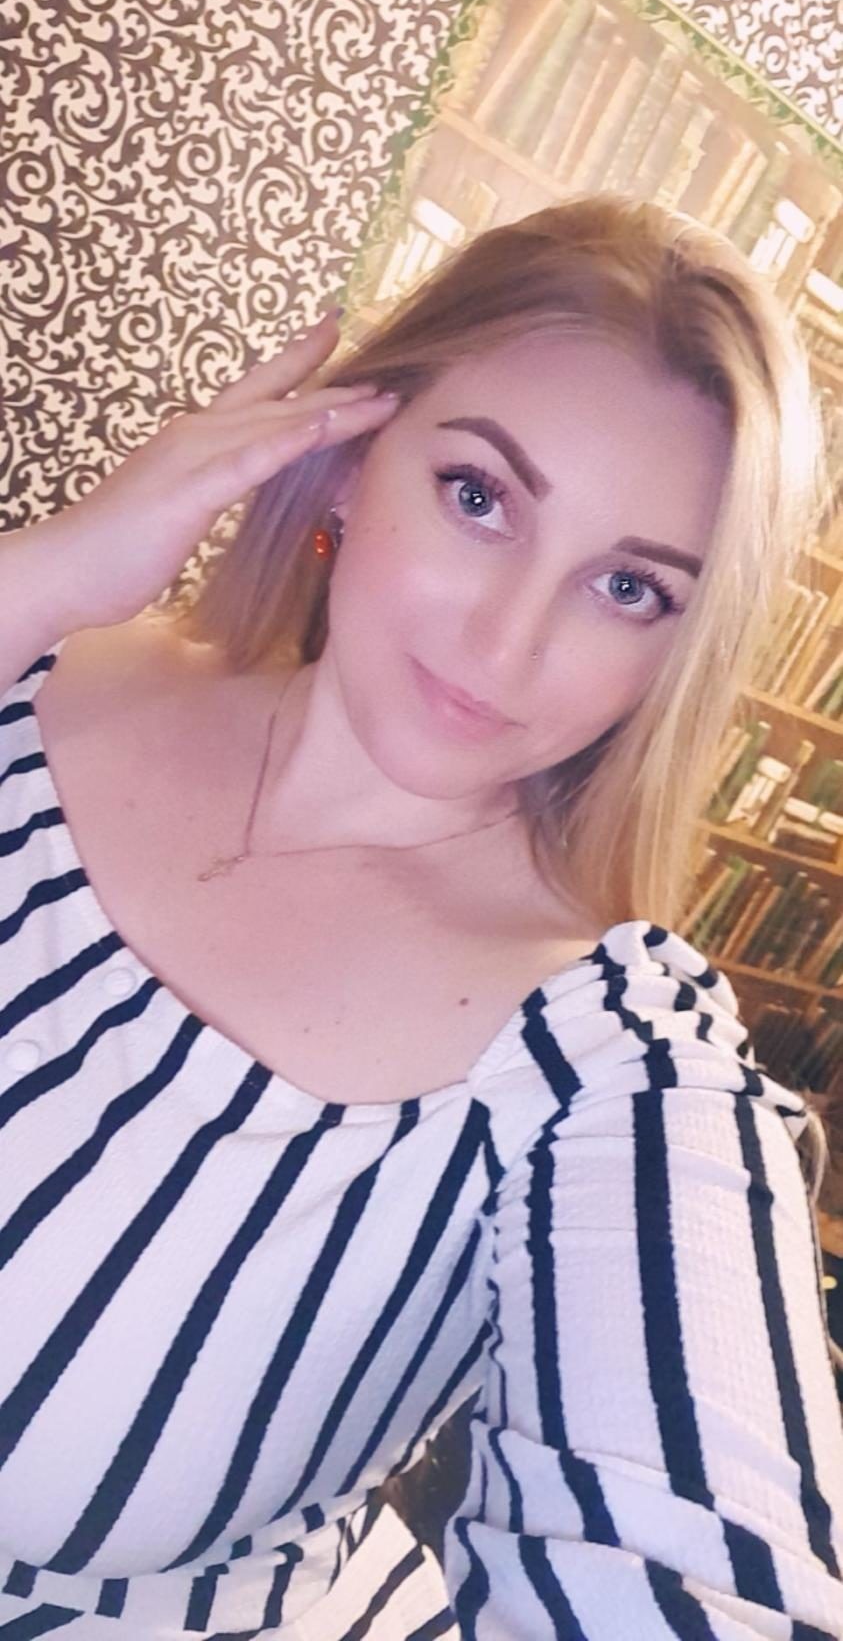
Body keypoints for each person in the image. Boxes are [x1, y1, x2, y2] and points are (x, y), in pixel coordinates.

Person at [1, 193, 842, 1640]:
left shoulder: (610, 1063)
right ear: (345, 453)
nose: (505, 643)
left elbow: (705, 1572)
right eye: (479, 495)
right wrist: (44, 577)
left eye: (629, 587)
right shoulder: (36, 673)